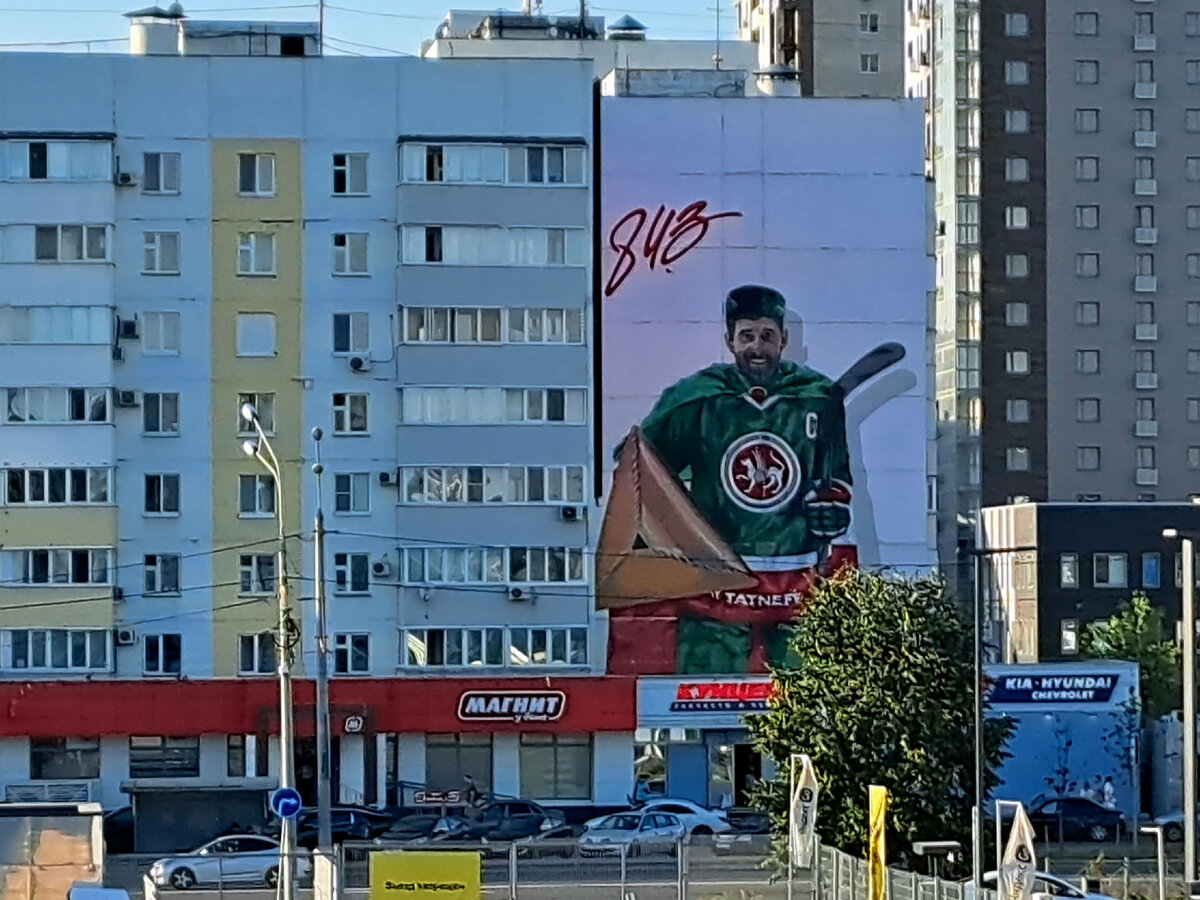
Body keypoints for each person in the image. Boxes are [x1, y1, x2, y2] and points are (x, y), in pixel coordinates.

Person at [606, 284, 856, 673]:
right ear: (729, 340)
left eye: (767, 336)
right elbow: (639, 467)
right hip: (717, 580)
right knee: (705, 698)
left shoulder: (817, 397)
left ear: (783, 339)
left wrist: (832, 508)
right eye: (747, 336)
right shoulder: (697, 398)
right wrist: (673, 523)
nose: (758, 347)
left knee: (808, 699)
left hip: (797, 578)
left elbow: (837, 476)